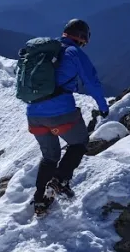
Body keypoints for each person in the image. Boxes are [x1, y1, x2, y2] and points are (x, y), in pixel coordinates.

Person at [26, 18, 109, 215]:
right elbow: (92, 82)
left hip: (33, 114)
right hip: (61, 112)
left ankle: (40, 200)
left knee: (50, 156)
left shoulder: (42, 52)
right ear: (82, 38)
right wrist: (103, 107)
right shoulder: (74, 53)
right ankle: (60, 180)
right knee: (79, 142)